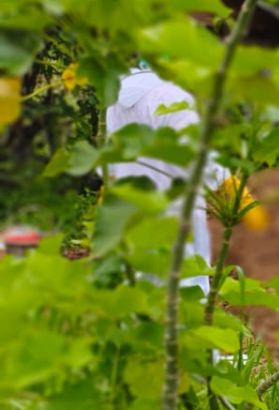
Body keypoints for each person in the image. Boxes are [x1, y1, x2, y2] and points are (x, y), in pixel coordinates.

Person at [105, 65, 267, 294]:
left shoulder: (114, 103)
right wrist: (230, 186)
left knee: (141, 294)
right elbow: (195, 155)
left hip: (133, 213)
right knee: (184, 294)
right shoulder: (171, 96)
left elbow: (112, 161)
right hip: (177, 212)